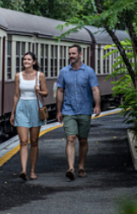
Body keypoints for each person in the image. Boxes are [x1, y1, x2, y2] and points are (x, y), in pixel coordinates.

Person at [56, 44, 101, 180]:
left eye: (73, 53)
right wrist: (59, 110)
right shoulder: (64, 72)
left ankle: (81, 166)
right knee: (70, 138)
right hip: (68, 110)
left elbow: (95, 89)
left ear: (80, 55)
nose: (71, 56)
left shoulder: (89, 71)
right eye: (69, 53)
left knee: (83, 140)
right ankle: (71, 168)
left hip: (84, 109)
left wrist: (97, 105)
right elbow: (60, 91)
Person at [10, 52, 48, 181]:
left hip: (35, 107)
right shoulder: (18, 76)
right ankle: (24, 170)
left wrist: (38, 90)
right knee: (23, 141)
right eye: (24, 59)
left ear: (34, 62)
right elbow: (16, 95)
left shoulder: (39, 75)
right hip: (21, 108)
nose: (26, 61)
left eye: (29, 59)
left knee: (34, 142)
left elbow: (46, 93)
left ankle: (32, 171)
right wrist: (13, 112)